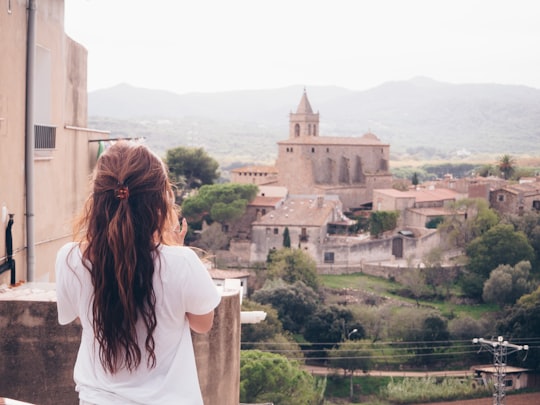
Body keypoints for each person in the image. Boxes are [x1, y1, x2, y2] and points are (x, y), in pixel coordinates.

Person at [55, 141, 221, 405]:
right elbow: (203, 324)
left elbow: (83, 317)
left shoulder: (69, 258)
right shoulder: (182, 262)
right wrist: (172, 249)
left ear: (97, 198)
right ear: (160, 201)